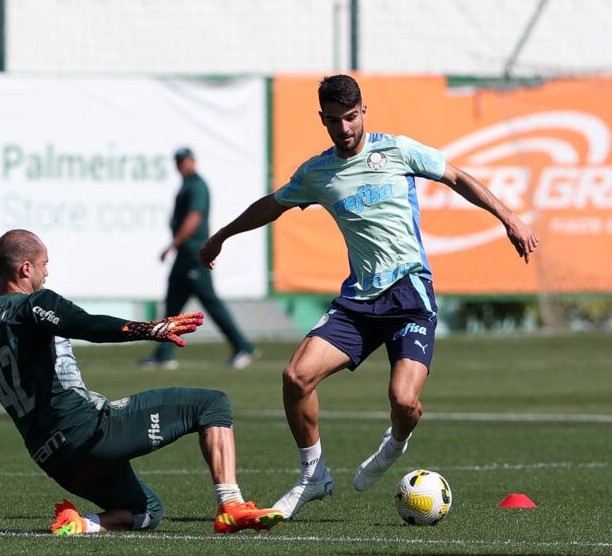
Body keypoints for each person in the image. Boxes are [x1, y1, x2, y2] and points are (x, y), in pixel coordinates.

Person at [199, 74, 539, 520]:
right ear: (322, 119)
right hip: (358, 302)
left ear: (364, 111)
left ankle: (395, 443)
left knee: (404, 401)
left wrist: (508, 217)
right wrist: (223, 235)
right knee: (295, 377)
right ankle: (313, 474)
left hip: (410, 296)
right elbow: (273, 203)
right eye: (334, 120)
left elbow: (457, 177)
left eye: (351, 117)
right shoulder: (316, 173)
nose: (344, 128)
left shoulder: (396, 150)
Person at [0, 229, 283, 534]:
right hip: (88, 431)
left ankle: (81, 524)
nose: (48, 272)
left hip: (54, 459)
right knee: (212, 403)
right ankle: (231, 505)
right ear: (24, 269)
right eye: (44, 263)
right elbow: (85, 325)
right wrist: (148, 328)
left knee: (147, 511)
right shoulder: (34, 303)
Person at [139, 147, 260, 370]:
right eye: (178, 161)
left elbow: (194, 217)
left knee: (210, 302)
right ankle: (164, 353)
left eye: (184, 160)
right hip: (184, 254)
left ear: (193, 161)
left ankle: (243, 346)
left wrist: (173, 244)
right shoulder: (187, 185)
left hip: (194, 254)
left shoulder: (196, 185)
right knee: (172, 305)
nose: (181, 165)